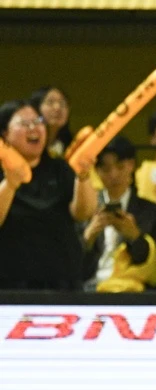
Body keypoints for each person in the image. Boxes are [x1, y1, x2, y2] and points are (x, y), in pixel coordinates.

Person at [0, 100, 96, 290]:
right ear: (4, 134)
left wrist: (83, 175)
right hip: (10, 284)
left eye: (38, 121)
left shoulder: (61, 168)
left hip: (63, 281)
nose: (34, 128)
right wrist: (10, 183)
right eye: (24, 123)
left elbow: (83, 213)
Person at [82, 136, 156, 292]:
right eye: (106, 169)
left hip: (134, 292)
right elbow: (70, 265)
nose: (114, 174)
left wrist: (135, 237)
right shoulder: (85, 210)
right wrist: (88, 237)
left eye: (120, 166)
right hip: (89, 289)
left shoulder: (155, 213)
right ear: (96, 171)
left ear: (131, 165)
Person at [30, 86, 72, 159]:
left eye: (62, 103)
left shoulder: (71, 145)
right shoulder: (25, 143)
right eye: (50, 102)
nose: (57, 107)